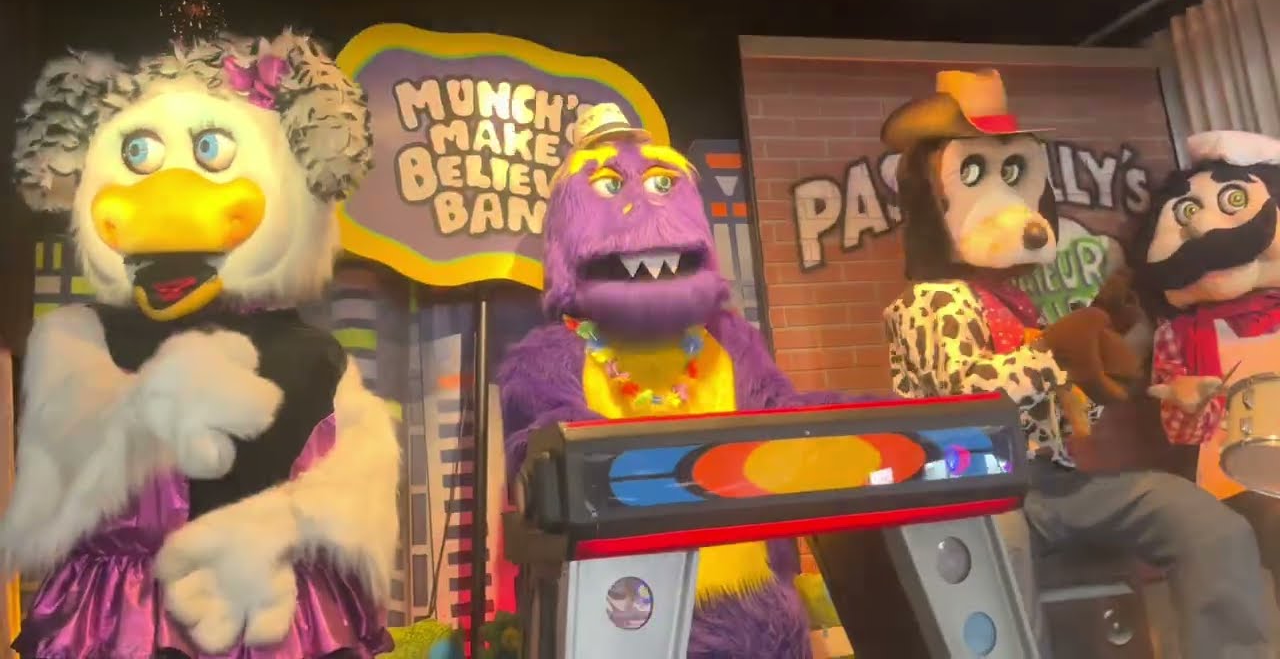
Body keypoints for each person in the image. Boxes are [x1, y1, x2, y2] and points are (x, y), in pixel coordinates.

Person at [1, 31, 399, 658]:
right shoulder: (79, 345)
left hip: (271, 613)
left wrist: (284, 524)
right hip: (124, 618)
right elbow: (59, 494)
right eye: (139, 154)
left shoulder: (316, 357)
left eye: (210, 149)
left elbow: (354, 497)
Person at [881, 69, 1279, 658]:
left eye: (1012, 173)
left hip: (1055, 482)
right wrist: (1054, 352)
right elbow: (965, 400)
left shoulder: (1018, 304)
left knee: (1199, 518)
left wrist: (1098, 363)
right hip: (972, 488)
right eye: (977, 173)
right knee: (1001, 560)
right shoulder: (925, 303)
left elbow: (1061, 417)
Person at [499, 103, 847, 659]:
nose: (644, 207)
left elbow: (787, 420)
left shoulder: (731, 341)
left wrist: (867, 424)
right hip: (630, 617)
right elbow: (544, 469)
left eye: (662, 185)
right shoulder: (549, 359)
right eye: (610, 186)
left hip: (760, 613)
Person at [1135, 129, 1280, 592]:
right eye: (1187, 213)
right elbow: (1181, 434)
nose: (1202, 229)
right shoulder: (1179, 335)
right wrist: (1187, 401)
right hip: (1234, 484)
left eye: (1233, 201)